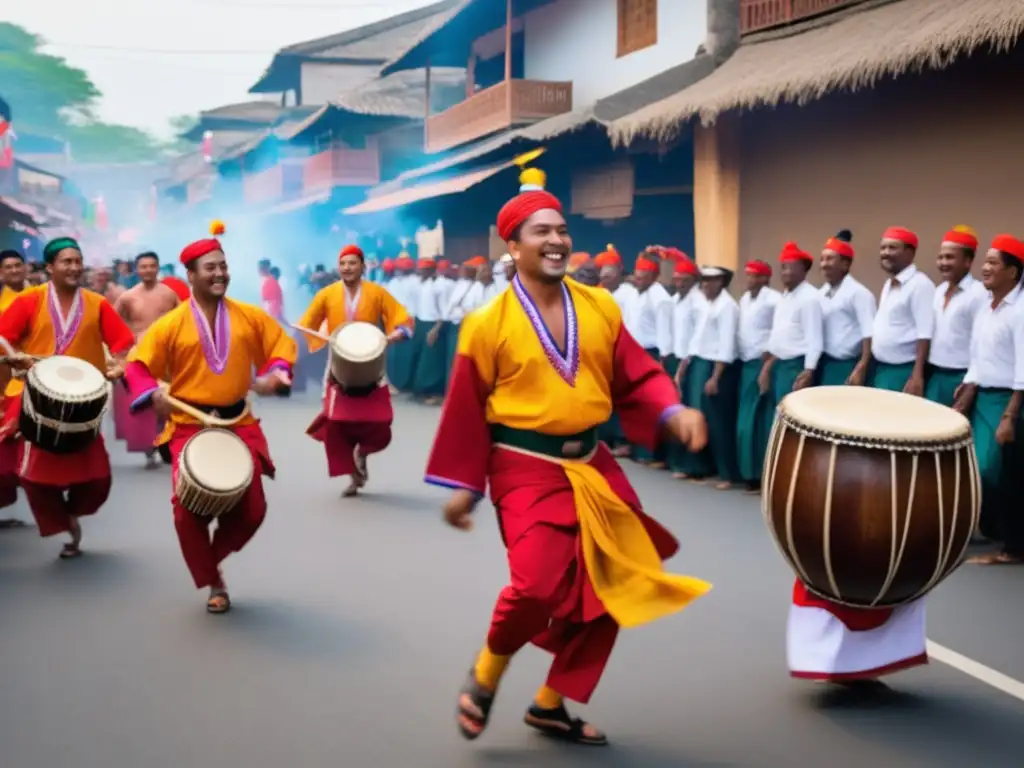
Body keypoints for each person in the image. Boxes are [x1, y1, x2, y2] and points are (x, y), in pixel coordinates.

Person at [426, 169, 711, 746]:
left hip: (594, 464)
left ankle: (550, 703)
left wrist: (670, 409)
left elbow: (636, 371)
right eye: (540, 232)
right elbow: (465, 408)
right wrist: (465, 484)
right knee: (535, 587)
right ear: (512, 246)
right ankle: (487, 673)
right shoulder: (486, 325)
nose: (556, 241)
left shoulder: (601, 306)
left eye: (561, 229)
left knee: (615, 581)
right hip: (524, 464)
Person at [124, 238, 296, 613]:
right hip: (189, 425)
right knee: (187, 512)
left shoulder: (249, 316)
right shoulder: (170, 325)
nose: (220, 274)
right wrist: (150, 392)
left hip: (238, 422)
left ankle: (209, 559)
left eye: (223, 266)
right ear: (190, 276)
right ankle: (213, 581)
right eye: (210, 268)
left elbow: (280, 345)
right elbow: (136, 366)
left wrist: (277, 374)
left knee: (253, 510)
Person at [0, 237, 135, 558]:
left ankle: (72, 514)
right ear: (50, 267)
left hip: (83, 403)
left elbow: (122, 343)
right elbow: (4, 337)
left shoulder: (96, 302)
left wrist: (121, 364)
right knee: (33, 478)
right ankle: (62, 523)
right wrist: (14, 356)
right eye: (66, 262)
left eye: (78, 261)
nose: (75, 267)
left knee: (98, 479)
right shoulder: (29, 300)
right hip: (35, 399)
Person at [297, 244, 412, 497]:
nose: (347, 268)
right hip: (338, 364)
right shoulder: (327, 294)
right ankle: (353, 474)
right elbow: (308, 324)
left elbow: (402, 319)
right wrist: (323, 335)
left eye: (352, 263)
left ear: (362, 266)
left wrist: (395, 335)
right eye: (343, 264)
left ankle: (363, 452)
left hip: (372, 363)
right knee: (336, 423)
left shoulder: (377, 293)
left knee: (380, 420)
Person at [954, 235, 1024, 561]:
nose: (985, 268)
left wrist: (1010, 416)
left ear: (1013, 272)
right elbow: (977, 356)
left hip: (1010, 401)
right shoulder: (986, 307)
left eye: (993, 263)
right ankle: (999, 534)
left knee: (1000, 471)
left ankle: (1013, 547)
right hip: (983, 398)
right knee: (979, 469)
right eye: (985, 262)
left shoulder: (1020, 311)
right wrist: (968, 387)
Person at [113, 251, 180, 467]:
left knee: (169, 399)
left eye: (152, 266)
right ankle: (150, 446)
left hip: (166, 355)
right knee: (146, 402)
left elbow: (183, 321)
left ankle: (168, 441)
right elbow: (114, 325)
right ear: (137, 270)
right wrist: (119, 356)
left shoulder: (169, 294)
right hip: (139, 357)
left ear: (158, 267)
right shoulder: (127, 297)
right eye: (144, 266)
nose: (148, 270)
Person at [681, 266, 740, 489]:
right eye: (703, 280)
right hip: (698, 362)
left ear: (721, 282)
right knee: (696, 417)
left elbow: (726, 344)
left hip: (716, 367)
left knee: (717, 422)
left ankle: (726, 473)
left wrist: (715, 377)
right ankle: (699, 467)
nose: (706, 284)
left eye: (711, 280)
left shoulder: (727, 307)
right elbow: (696, 338)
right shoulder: (703, 303)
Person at [926, 226, 986, 406]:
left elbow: (982, 344)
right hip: (934, 375)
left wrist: (970, 384)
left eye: (950, 257)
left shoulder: (979, 294)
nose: (943, 262)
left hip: (961, 378)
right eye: (941, 257)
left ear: (967, 261)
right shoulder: (938, 291)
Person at [871, 227, 934, 394]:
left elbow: (925, 334)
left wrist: (917, 376)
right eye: (883, 248)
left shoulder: (920, 285)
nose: (885, 252)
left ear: (910, 253)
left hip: (903, 372)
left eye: (893, 247)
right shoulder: (889, 284)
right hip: (881, 368)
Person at [761, 242, 823, 408]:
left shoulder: (809, 297)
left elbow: (814, 338)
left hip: (795, 366)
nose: (785, 272)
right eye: (783, 267)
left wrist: (809, 370)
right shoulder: (785, 296)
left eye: (791, 267)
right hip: (778, 364)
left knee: (790, 414)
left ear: (803, 270)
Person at [735, 259, 779, 493]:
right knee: (745, 423)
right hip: (745, 364)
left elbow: (778, 333)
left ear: (764, 278)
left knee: (759, 422)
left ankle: (762, 476)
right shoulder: (744, 299)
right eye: (747, 274)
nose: (748, 279)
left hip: (765, 365)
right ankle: (747, 473)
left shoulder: (774, 300)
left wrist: (768, 365)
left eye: (753, 275)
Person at [628, 250, 673, 466]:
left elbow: (664, 331)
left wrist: (662, 361)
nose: (638, 278)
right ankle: (643, 451)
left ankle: (657, 454)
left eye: (643, 274)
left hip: (653, 354)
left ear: (654, 276)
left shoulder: (660, 298)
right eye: (637, 273)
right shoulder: (638, 294)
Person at [817, 230, 875, 386]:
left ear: (845, 264)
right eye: (822, 259)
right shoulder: (820, 293)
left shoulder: (859, 293)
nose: (824, 264)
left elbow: (869, 334)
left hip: (847, 366)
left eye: (830, 259)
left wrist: (862, 366)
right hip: (824, 364)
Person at [0, 248, 28, 526]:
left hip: (37, 374)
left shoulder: (42, 297)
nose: (13, 271)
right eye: (7, 267)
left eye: (18, 266)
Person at [411, 258, 447, 404]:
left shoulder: (439, 286)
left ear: (431, 270)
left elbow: (443, 311)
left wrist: (435, 329)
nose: (420, 271)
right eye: (420, 269)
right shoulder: (421, 284)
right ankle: (420, 390)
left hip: (433, 325)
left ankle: (434, 392)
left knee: (431, 361)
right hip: (420, 323)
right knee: (420, 358)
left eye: (424, 269)